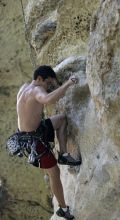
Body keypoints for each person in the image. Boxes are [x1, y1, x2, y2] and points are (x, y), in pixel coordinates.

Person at [16, 65, 81, 220]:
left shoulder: (24, 88)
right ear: (39, 79)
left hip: (30, 133)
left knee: (61, 120)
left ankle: (63, 155)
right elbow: (47, 99)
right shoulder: (36, 91)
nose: (48, 87)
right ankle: (63, 209)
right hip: (34, 141)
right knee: (54, 173)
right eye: (47, 83)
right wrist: (69, 83)